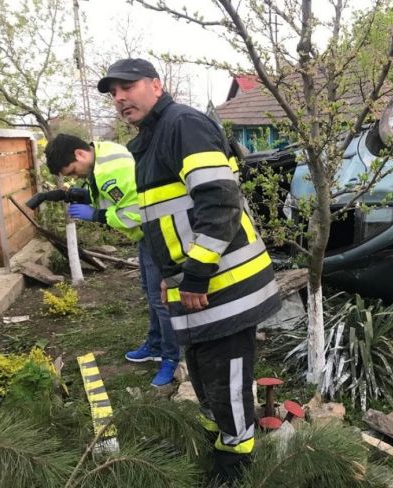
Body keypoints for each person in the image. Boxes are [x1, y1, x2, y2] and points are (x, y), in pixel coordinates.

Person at [97, 58, 281, 482]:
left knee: (227, 379)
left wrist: (195, 275)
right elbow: (167, 224)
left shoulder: (182, 124)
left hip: (225, 284)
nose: (120, 98)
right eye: (114, 93)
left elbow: (219, 203)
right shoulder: (152, 139)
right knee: (203, 373)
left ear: (156, 85)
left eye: (127, 87)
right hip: (198, 285)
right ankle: (215, 443)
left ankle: (236, 465)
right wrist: (170, 278)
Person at [44, 134, 180, 387]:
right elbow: (113, 195)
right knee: (151, 294)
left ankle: (171, 357)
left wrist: (97, 215)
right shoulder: (102, 153)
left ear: (79, 154)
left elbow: (138, 212)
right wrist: (79, 194)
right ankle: (155, 345)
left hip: (157, 233)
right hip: (147, 236)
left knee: (162, 300)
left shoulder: (112, 171)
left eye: (72, 171)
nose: (75, 176)